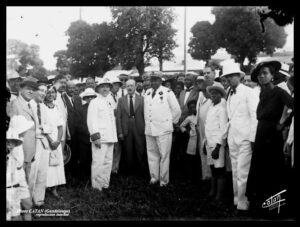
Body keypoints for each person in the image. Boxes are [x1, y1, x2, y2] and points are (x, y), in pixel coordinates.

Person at [246, 61, 294, 217]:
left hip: (272, 137)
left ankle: (274, 208)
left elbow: (292, 106)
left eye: (265, 73)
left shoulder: (279, 92)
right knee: (260, 168)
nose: (262, 76)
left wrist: (282, 122)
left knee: (273, 169)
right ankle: (261, 205)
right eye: (259, 74)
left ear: (273, 75)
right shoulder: (262, 93)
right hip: (261, 133)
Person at [221, 62, 259, 212]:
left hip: (245, 139)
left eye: (231, 76)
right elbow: (231, 117)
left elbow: (255, 116)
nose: (229, 79)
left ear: (239, 76)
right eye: (227, 77)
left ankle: (243, 203)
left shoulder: (249, 92)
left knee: (243, 172)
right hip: (233, 138)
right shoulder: (229, 92)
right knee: (235, 171)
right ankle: (236, 200)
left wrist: (252, 139)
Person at [144, 71, 181, 187]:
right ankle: (154, 177)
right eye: (152, 79)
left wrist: (170, 123)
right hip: (150, 129)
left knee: (164, 155)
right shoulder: (147, 92)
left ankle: (164, 181)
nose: (154, 82)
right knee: (152, 154)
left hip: (163, 129)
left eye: (156, 79)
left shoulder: (167, 92)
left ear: (161, 81)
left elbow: (177, 110)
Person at [87, 78, 118, 191]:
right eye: (103, 86)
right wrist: (95, 137)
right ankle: (96, 186)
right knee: (98, 162)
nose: (105, 89)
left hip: (110, 136)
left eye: (107, 86)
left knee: (108, 161)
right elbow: (91, 121)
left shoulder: (109, 101)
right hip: (100, 137)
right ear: (98, 89)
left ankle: (105, 183)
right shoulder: (94, 102)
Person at [28, 83, 52, 208]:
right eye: (41, 90)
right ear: (34, 91)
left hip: (43, 143)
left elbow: (50, 126)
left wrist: (43, 128)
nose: (43, 93)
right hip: (32, 142)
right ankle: (28, 203)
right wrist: (40, 130)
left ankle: (39, 201)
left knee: (42, 172)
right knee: (32, 173)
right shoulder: (28, 105)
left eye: (45, 91)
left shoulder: (44, 107)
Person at [117, 79, 147, 176]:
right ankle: (129, 172)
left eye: (131, 85)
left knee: (140, 149)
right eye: (128, 86)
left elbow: (145, 115)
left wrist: (146, 129)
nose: (129, 87)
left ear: (135, 87)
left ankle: (141, 171)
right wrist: (120, 132)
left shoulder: (142, 99)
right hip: (126, 127)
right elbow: (118, 117)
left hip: (139, 127)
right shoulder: (121, 100)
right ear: (126, 87)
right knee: (128, 150)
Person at [6, 116, 34, 221]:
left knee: (28, 204)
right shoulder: (9, 141)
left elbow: (20, 162)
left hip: (20, 175)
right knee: (14, 214)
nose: (26, 131)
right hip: (10, 179)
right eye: (24, 129)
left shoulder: (20, 140)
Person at [204, 84, 228, 202]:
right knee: (213, 168)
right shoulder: (211, 107)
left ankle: (219, 195)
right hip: (209, 143)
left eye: (216, 93)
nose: (213, 95)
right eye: (212, 93)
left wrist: (218, 147)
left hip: (217, 145)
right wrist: (205, 143)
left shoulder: (222, 109)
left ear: (221, 95)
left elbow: (223, 129)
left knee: (220, 170)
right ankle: (212, 191)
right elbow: (208, 127)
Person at [44, 86, 66, 198]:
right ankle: (44, 188)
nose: (50, 94)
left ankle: (54, 189)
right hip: (46, 139)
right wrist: (50, 140)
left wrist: (58, 140)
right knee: (46, 163)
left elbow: (60, 126)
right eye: (48, 92)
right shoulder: (42, 107)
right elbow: (42, 126)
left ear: (55, 94)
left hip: (56, 139)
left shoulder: (57, 107)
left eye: (53, 92)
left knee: (56, 163)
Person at [77, 88, 97, 182]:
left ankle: (92, 175)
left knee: (93, 158)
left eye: (92, 97)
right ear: (85, 98)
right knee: (83, 158)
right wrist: (89, 132)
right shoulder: (81, 109)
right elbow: (78, 124)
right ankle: (82, 177)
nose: (90, 99)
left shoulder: (98, 108)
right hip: (84, 138)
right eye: (88, 97)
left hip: (96, 138)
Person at [62, 81, 80, 180]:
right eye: (70, 88)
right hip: (68, 132)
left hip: (77, 132)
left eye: (73, 88)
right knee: (67, 154)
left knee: (75, 153)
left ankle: (74, 174)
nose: (72, 90)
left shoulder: (77, 98)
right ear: (66, 89)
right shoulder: (63, 99)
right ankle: (66, 175)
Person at [196, 80, 213, 181]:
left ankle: (209, 176)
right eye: (203, 90)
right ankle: (205, 175)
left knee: (208, 153)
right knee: (202, 153)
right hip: (201, 129)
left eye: (206, 90)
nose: (204, 92)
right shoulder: (201, 96)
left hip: (209, 131)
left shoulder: (212, 101)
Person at [179, 100, 198, 182]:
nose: (193, 109)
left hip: (201, 139)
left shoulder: (200, 116)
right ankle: (190, 176)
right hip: (193, 139)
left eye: (194, 107)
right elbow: (181, 126)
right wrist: (187, 132)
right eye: (191, 108)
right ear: (189, 110)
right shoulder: (189, 118)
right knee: (191, 158)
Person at [110, 77, 123, 174]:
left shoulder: (119, 97)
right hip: (110, 126)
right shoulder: (107, 97)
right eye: (115, 84)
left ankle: (115, 168)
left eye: (118, 85)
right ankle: (109, 168)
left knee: (118, 148)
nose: (116, 87)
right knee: (111, 148)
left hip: (118, 126)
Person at [53, 75, 68, 151]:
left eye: (65, 83)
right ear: (54, 83)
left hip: (63, 132)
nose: (63, 85)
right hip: (55, 134)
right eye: (61, 82)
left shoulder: (63, 96)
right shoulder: (52, 95)